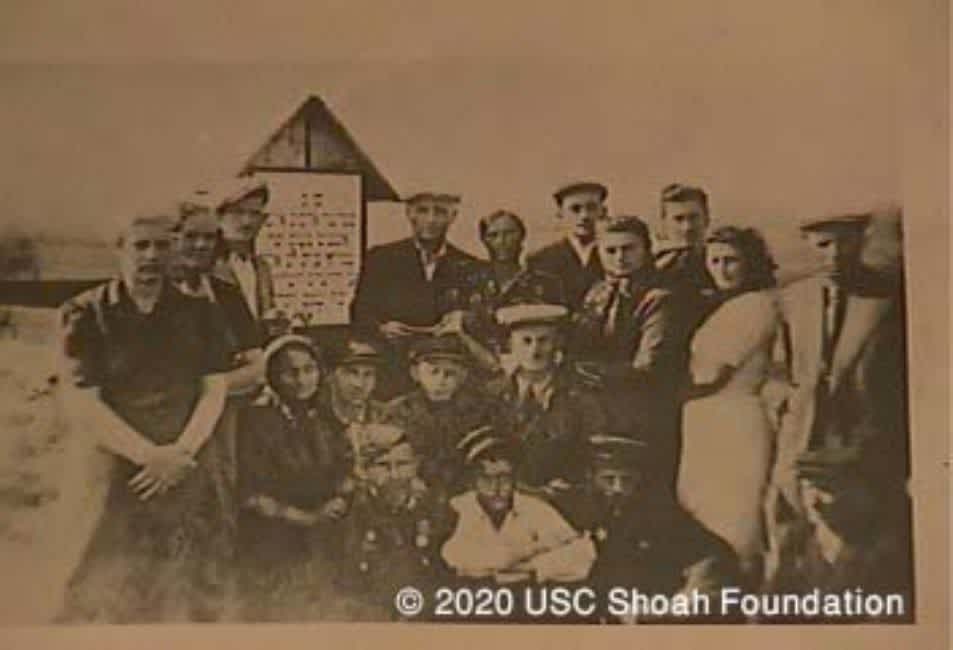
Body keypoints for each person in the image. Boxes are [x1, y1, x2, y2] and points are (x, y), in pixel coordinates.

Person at [53, 213, 234, 623]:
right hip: (115, 468)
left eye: (161, 245)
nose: (152, 256)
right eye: (141, 246)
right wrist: (148, 455)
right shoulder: (86, 312)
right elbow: (83, 401)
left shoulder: (199, 312)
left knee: (183, 579)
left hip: (185, 464)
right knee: (94, 579)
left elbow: (214, 387)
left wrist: (182, 452)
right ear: (120, 250)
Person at [764, 213, 910, 565]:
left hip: (862, 446)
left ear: (863, 241)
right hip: (801, 442)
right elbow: (779, 371)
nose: (835, 255)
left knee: (859, 549)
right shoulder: (793, 299)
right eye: (824, 245)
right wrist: (785, 406)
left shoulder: (892, 298)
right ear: (808, 245)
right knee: (789, 536)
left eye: (846, 243)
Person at [677, 226, 780, 577]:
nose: (722, 269)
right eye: (714, 260)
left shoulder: (754, 306)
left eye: (732, 260)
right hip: (706, 422)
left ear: (751, 263)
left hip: (732, 421)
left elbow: (709, 379)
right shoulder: (726, 307)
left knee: (731, 518)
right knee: (701, 514)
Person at [554, 435, 741, 622]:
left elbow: (711, 556)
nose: (618, 488)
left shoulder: (660, 517)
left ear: (639, 481)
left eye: (627, 480)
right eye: (609, 479)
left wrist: (658, 611)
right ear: (592, 479)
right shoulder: (599, 519)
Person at [235, 335, 350, 621]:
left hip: (325, 532)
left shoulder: (324, 417)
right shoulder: (254, 420)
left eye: (309, 370)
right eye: (291, 372)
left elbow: (345, 468)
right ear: (273, 375)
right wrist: (308, 517)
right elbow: (249, 493)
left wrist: (341, 496)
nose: (302, 380)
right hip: (273, 537)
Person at [570, 215, 684, 487]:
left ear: (646, 249)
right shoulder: (596, 293)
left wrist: (589, 371)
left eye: (628, 249)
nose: (620, 257)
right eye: (611, 250)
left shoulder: (659, 299)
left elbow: (648, 367)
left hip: (643, 414)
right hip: (597, 413)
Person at [761, 446, 914, 623]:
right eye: (808, 489)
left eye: (827, 490)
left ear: (853, 493)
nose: (814, 502)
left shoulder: (883, 549)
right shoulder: (796, 540)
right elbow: (770, 604)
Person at [441, 429, 596, 587]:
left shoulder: (534, 509)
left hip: (525, 600)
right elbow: (453, 557)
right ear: (473, 481)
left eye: (504, 478)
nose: (496, 489)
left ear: (515, 479)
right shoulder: (459, 509)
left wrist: (533, 568)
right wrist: (535, 548)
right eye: (487, 479)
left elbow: (583, 554)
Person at [332, 424, 453, 621]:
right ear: (364, 470)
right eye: (383, 466)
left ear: (416, 465)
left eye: (403, 464)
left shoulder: (437, 511)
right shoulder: (350, 514)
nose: (394, 475)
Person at [487, 303, 605, 492]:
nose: (535, 350)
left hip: (561, 498)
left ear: (557, 343)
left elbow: (593, 453)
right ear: (510, 344)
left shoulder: (580, 395)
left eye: (543, 340)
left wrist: (568, 485)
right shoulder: (491, 394)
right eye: (526, 341)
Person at [350, 191, 479, 339]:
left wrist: (463, 319)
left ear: (453, 217)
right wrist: (381, 328)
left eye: (440, 212)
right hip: (390, 350)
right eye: (423, 211)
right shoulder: (382, 258)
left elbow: (477, 316)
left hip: (443, 353)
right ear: (410, 214)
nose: (431, 220)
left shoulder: (469, 265)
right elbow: (359, 310)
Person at [383, 335, 495, 499]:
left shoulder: (477, 411)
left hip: (465, 489)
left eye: (450, 373)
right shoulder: (399, 411)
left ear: (462, 376)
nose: (441, 380)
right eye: (433, 371)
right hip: (414, 491)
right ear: (415, 373)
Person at [526, 181, 608, 311]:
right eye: (575, 209)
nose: (584, 216)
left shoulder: (615, 255)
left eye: (591, 208)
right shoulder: (541, 260)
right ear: (560, 214)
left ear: (603, 212)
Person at [317, 334, 388, 479]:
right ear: (330, 375)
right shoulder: (314, 418)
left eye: (368, 374)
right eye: (351, 373)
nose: (359, 384)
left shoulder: (386, 416)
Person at [210, 177, 275, 322]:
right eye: (238, 212)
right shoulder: (208, 266)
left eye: (255, 213)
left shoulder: (262, 268)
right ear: (219, 217)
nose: (247, 222)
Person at [653, 183, 714, 294]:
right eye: (678, 219)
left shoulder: (722, 262)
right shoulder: (650, 267)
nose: (687, 227)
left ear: (707, 219)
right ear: (664, 224)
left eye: (694, 218)